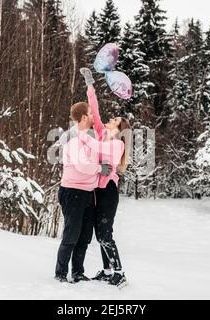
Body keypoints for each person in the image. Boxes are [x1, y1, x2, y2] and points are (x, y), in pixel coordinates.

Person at [80, 67, 131, 288]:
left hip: (108, 192)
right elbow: (95, 110)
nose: (111, 119)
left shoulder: (117, 143)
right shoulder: (101, 134)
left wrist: (87, 140)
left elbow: (104, 154)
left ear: (119, 129)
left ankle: (119, 272)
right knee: (98, 232)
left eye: (115, 120)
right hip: (96, 190)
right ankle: (107, 269)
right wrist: (90, 84)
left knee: (105, 233)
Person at [54, 95, 113, 284]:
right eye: (90, 113)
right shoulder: (73, 138)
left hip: (88, 193)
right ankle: (61, 273)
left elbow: (94, 159)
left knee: (85, 236)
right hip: (72, 192)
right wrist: (99, 169)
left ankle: (78, 272)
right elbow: (82, 165)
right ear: (83, 117)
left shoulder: (90, 137)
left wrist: (103, 162)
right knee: (71, 234)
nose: (93, 115)